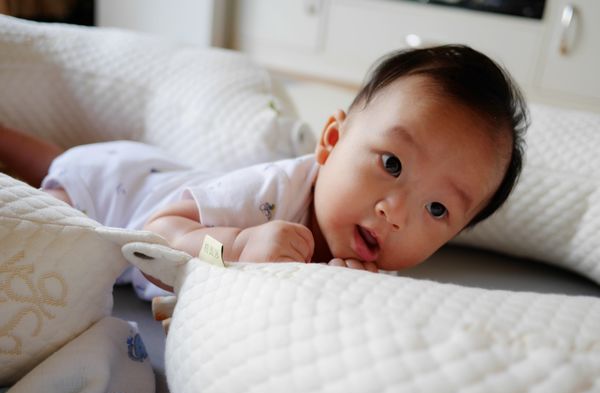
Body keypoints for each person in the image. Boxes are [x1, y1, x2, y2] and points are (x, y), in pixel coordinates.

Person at [0, 45, 528, 298]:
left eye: (436, 208)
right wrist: (235, 247)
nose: (395, 212)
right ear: (332, 142)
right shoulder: (273, 193)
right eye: (391, 163)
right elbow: (158, 234)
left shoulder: (374, 274)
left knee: (54, 164)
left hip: (140, 175)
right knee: (45, 220)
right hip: (117, 194)